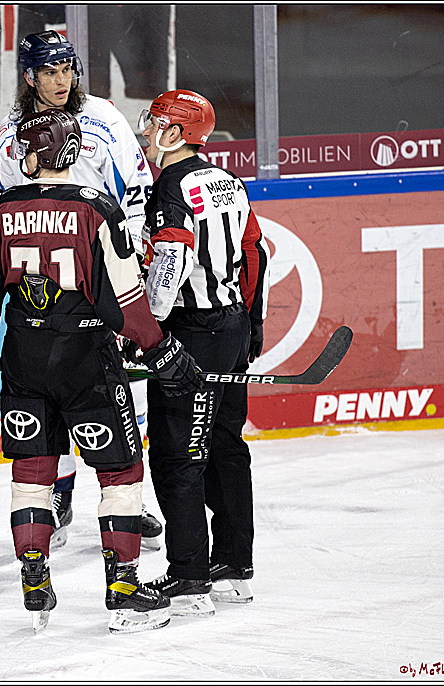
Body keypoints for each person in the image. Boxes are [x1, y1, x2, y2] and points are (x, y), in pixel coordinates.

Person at [0, 108, 202, 633]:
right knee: (120, 471)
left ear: (30, 153)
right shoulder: (97, 209)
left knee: (33, 470)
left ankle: (35, 574)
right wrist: (160, 350)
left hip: (23, 356)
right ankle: (123, 585)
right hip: (86, 358)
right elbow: (127, 301)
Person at [0, 31, 160, 550]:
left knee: (123, 390)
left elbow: (135, 190)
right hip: (44, 289)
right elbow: (5, 211)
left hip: (106, 272)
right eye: (49, 72)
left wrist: (132, 254)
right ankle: (57, 495)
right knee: (56, 402)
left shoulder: (105, 118)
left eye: (67, 70)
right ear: (29, 77)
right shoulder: (9, 133)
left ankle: (133, 497)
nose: (61, 81)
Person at [136, 89, 269, 615]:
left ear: (173, 132)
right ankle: (234, 565)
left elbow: (170, 257)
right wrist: (252, 324)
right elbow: (254, 254)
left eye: (152, 123)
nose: (145, 131)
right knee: (226, 446)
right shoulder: (230, 182)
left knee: (176, 456)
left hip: (191, 335)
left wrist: (150, 328)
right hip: (231, 326)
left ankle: (189, 577)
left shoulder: (172, 184)